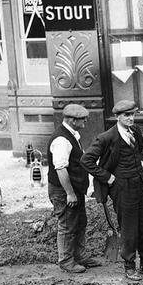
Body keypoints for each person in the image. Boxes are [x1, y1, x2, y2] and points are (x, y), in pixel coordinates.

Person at [82, 100, 143, 281]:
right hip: (121, 187)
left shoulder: (135, 131)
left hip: (139, 183)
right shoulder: (107, 137)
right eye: (126, 115)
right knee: (129, 226)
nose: (131, 118)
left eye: (133, 114)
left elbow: (139, 151)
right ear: (117, 117)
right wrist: (108, 177)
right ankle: (129, 266)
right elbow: (86, 160)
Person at [47, 103, 101, 273]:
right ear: (71, 120)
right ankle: (66, 260)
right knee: (67, 225)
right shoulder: (62, 139)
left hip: (75, 190)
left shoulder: (73, 135)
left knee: (80, 222)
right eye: (82, 119)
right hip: (64, 191)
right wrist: (70, 193)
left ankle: (79, 255)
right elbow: (60, 168)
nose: (85, 121)